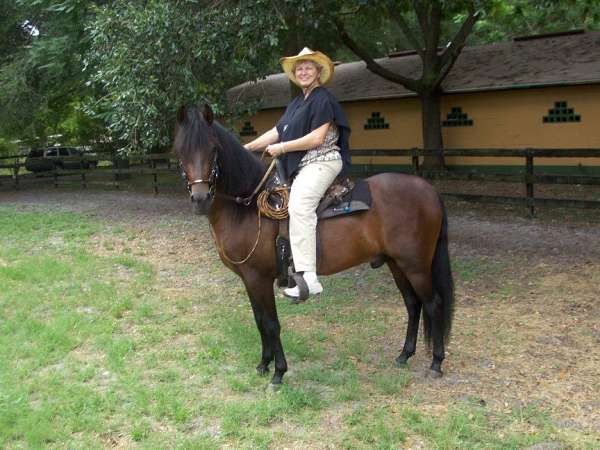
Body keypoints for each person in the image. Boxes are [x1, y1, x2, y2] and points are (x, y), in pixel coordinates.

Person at [244, 47, 351, 299]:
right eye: (299, 68)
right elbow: (278, 131)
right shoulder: (296, 103)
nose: (303, 72)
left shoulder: (323, 98)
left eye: (308, 67)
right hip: (304, 165)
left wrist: (281, 148)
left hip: (323, 161)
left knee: (300, 206)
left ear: (318, 72)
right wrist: (247, 147)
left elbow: (317, 138)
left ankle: (309, 278)